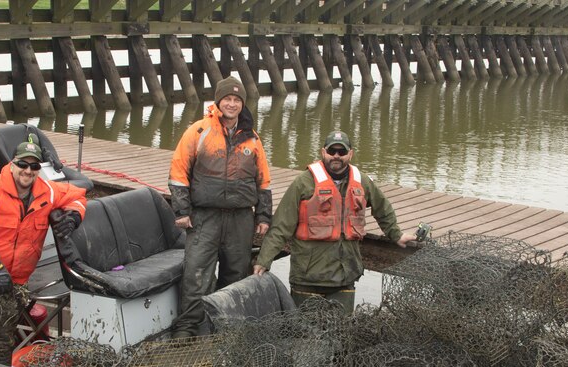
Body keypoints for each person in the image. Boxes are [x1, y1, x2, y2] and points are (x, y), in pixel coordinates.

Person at [0, 141, 87, 365]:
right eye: (22, 164)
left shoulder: (47, 191)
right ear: (11, 164)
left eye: (34, 166)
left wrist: (74, 216)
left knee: (1, 344)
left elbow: (78, 195)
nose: (28, 171)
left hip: (15, 280)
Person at [253, 130, 416, 313]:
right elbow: (281, 227)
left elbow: (383, 209)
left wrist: (397, 235)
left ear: (350, 154)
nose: (336, 156)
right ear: (323, 152)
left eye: (342, 152)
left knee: (340, 333)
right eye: (332, 152)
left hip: (345, 277)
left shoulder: (362, 181)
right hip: (308, 278)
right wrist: (264, 260)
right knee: (304, 334)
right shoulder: (303, 183)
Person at [168, 76, 272, 338]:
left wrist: (263, 215)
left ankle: (227, 331)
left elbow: (264, 180)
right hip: (205, 217)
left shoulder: (252, 138)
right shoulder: (198, 131)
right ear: (218, 101)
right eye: (228, 99)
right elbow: (178, 172)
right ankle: (188, 328)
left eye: (237, 100)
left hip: (241, 219)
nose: (232, 104)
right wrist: (181, 211)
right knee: (196, 274)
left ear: (242, 104)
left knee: (235, 276)